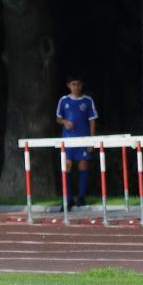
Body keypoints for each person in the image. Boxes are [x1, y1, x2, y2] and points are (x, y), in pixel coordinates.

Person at [55, 75, 98, 207]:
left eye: (78, 84)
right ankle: (68, 198)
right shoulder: (64, 100)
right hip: (68, 139)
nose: (76, 87)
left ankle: (81, 197)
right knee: (67, 166)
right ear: (69, 86)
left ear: (82, 85)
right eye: (73, 84)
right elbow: (58, 118)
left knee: (83, 165)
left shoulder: (87, 100)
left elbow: (92, 121)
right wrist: (65, 122)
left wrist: (91, 140)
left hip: (83, 138)